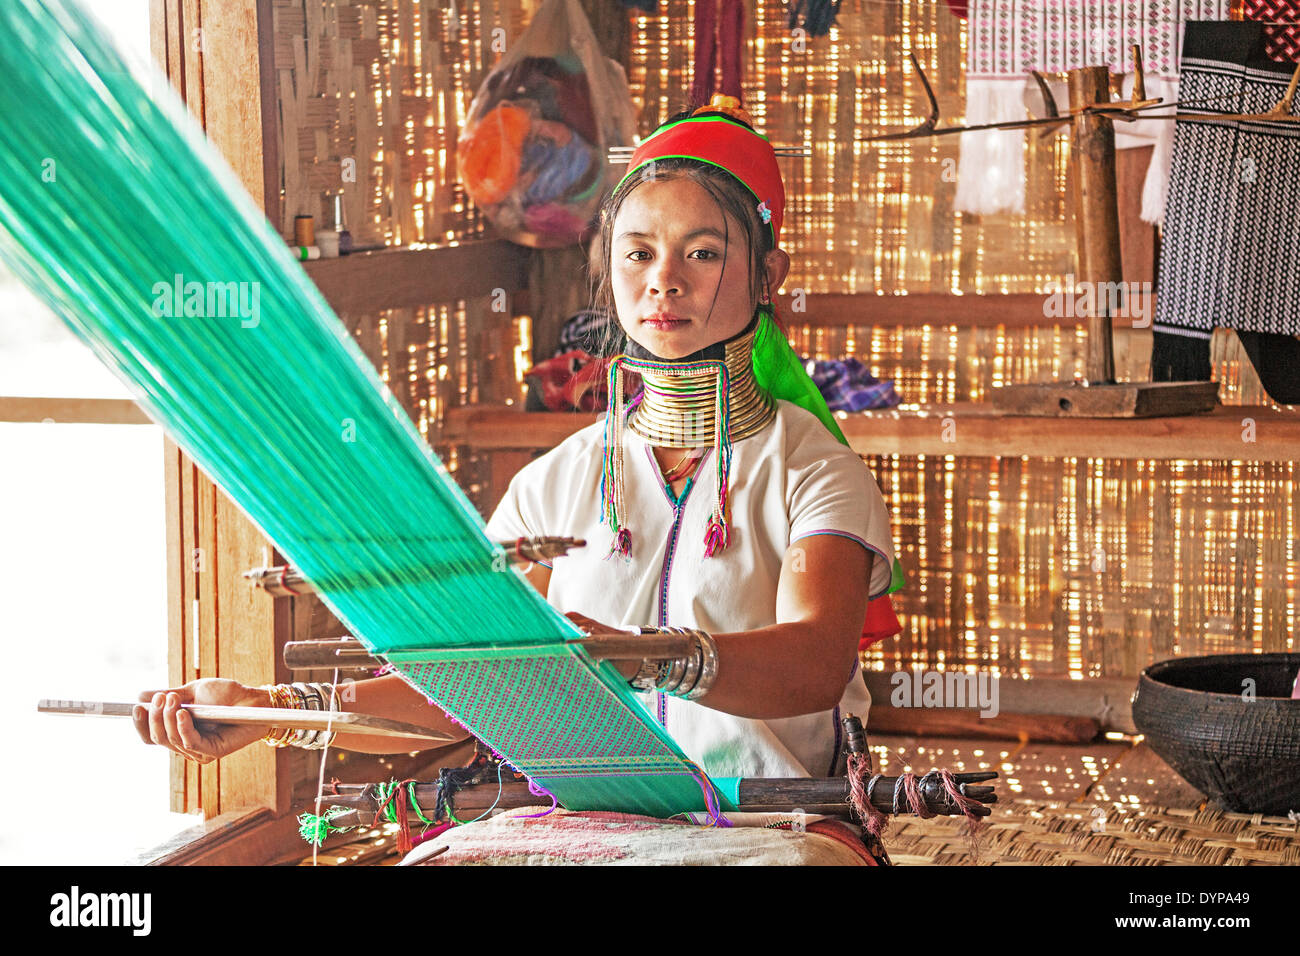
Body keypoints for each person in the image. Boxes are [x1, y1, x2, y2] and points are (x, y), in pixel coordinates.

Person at [133, 96, 899, 851]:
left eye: (703, 252)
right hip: (580, 833)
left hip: (770, 831)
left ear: (769, 275)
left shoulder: (812, 470)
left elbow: (814, 664)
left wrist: (642, 658)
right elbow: (468, 688)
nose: (663, 280)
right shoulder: (552, 484)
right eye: (638, 252)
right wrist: (268, 710)